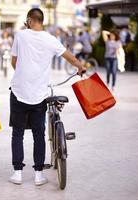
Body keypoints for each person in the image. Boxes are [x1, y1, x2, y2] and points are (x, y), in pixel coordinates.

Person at [9, 8, 86, 186]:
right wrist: (80, 67)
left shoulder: (20, 35)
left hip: (19, 91)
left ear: (29, 20)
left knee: (17, 134)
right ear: (42, 21)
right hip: (39, 94)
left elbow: (14, 62)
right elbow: (71, 58)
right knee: (38, 134)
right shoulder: (51, 39)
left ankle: (18, 173)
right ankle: (38, 175)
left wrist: (24, 75)